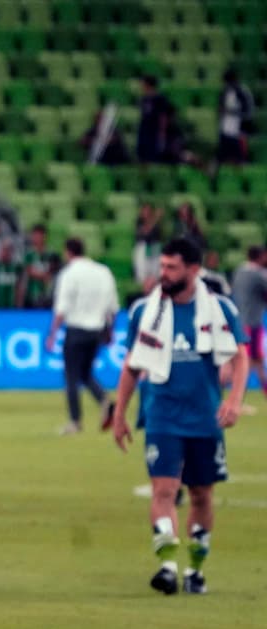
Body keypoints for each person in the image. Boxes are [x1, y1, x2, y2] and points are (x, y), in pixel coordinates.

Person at [112, 237, 247, 595]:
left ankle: (196, 569)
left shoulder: (219, 309)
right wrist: (119, 412)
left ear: (193, 270)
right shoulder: (145, 310)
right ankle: (168, 566)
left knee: (202, 495)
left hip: (205, 418)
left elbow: (240, 354)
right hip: (162, 417)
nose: (164, 274)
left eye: (172, 268)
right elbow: (131, 364)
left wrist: (233, 400)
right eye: (163, 267)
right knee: (164, 489)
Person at [45, 238, 119, 435]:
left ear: (68, 252)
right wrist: (110, 331)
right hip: (96, 330)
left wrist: (52, 334)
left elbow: (62, 307)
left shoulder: (68, 274)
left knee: (71, 376)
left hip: (76, 329)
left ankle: (75, 421)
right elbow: (112, 307)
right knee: (85, 373)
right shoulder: (103, 272)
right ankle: (105, 401)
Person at [230, 246, 267, 400]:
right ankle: (236, 397)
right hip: (251, 323)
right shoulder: (258, 274)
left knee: (257, 360)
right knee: (248, 361)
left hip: (240, 320)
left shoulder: (239, 271)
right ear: (261, 256)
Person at [215, 69, 254, 166]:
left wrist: (231, 112)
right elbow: (220, 110)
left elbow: (248, 113)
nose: (228, 85)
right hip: (225, 130)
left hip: (240, 131)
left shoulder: (243, 92)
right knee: (222, 159)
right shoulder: (224, 93)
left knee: (240, 160)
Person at [20, 224, 59, 309]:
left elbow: (53, 272)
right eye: (34, 235)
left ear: (44, 236)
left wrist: (47, 276)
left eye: (39, 235)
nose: (36, 238)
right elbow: (29, 271)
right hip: (31, 294)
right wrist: (44, 276)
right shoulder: (29, 254)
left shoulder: (51, 254)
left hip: (47, 295)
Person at [137, 75, 174, 164]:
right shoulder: (144, 99)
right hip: (144, 130)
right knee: (143, 156)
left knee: (154, 156)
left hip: (155, 131)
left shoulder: (160, 99)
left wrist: (162, 132)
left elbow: (163, 116)